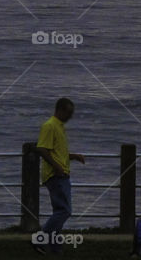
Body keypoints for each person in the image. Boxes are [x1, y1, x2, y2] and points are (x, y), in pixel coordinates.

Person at [33, 98, 85, 255]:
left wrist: (73, 156)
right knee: (65, 210)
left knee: (59, 211)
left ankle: (55, 247)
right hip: (56, 175)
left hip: (62, 174)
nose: (70, 117)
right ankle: (40, 240)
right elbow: (42, 149)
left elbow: (57, 152)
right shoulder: (49, 126)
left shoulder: (60, 127)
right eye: (68, 113)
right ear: (60, 110)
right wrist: (57, 167)